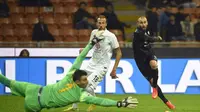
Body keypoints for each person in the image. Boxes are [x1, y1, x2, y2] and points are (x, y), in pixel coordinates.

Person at [0, 37, 138, 112]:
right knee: (6, 80)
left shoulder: (70, 74)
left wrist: (90, 45)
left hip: (33, 89)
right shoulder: (81, 95)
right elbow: (101, 101)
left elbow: (80, 58)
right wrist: (119, 104)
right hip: (34, 103)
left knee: (6, 81)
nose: (87, 81)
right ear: (77, 82)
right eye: (84, 80)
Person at [66, 15, 122, 111]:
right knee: (77, 81)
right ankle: (74, 107)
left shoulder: (111, 36)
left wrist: (114, 69)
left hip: (102, 66)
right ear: (97, 23)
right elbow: (91, 45)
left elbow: (119, 53)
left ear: (106, 24)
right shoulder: (94, 32)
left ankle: (94, 102)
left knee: (88, 86)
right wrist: (84, 50)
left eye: (103, 23)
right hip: (92, 63)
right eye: (99, 23)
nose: (101, 25)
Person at [132, 16, 175, 110]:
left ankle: (154, 87)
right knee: (152, 81)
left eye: (144, 22)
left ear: (147, 23)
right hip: (140, 59)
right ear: (137, 24)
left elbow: (147, 40)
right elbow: (148, 39)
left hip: (149, 53)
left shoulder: (147, 30)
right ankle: (166, 101)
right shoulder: (137, 33)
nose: (143, 24)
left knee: (154, 65)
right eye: (141, 23)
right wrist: (157, 38)